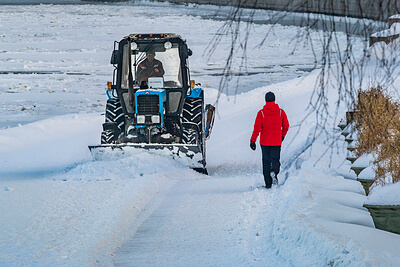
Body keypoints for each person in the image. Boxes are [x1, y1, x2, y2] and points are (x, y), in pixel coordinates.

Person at [250, 92, 289, 188]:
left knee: (266, 162)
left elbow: (257, 128)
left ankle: (268, 184)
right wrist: (282, 135)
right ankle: (274, 172)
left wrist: (252, 141)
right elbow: (286, 125)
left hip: (265, 142)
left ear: (265, 100)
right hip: (276, 141)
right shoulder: (281, 112)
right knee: (275, 160)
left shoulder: (261, 113)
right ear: (274, 100)